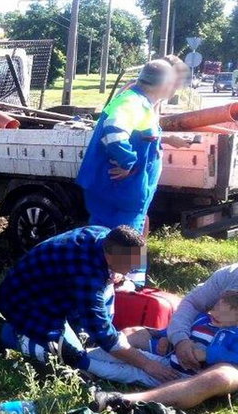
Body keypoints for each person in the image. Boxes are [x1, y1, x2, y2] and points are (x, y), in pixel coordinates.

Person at [0, 225, 180, 383]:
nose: (133, 269)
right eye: (130, 265)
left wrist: (118, 273)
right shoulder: (87, 275)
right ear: (110, 256)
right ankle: (3, 332)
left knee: (106, 294)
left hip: (58, 286)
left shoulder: (105, 236)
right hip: (27, 299)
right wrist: (147, 364)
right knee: (67, 357)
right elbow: (103, 332)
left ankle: (80, 335)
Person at [76, 60, 189, 287]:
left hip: (125, 193)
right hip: (121, 194)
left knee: (112, 243)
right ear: (164, 85)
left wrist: (166, 139)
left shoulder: (141, 102)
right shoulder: (132, 103)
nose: (174, 89)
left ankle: (116, 289)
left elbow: (139, 134)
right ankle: (123, 294)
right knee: (122, 247)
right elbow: (114, 131)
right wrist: (127, 162)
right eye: (173, 84)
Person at [92, 264, 238, 411]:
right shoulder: (231, 274)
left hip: (226, 363)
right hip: (176, 354)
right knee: (133, 334)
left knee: (220, 377)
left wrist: (209, 355)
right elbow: (193, 303)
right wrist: (179, 338)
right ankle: (81, 358)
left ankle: (122, 401)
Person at [84, 290, 238, 388]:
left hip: (180, 378)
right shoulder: (202, 319)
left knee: (130, 372)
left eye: (225, 315)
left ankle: (83, 363)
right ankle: (82, 353)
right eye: (216, 309)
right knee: (129, 353)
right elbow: (176, 329)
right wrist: (166, 337)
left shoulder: (233, 335)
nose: (216, 315)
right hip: (166, 361)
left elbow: (234, 357)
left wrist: (208, 355)